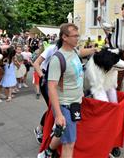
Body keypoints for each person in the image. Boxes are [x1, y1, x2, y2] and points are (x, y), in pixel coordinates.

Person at [43, 23, 84, 158]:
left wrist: (95, 50)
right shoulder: (57, 58)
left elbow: (82, 53)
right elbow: (51, 87)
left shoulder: (74, 52)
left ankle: (48, 152)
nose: (78, 38)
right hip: (65, 105)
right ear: (64, 37)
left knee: (64, 133)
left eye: (78, 35)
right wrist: (59, 115)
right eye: (75, 36)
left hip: (75, 103)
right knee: (69, 143)